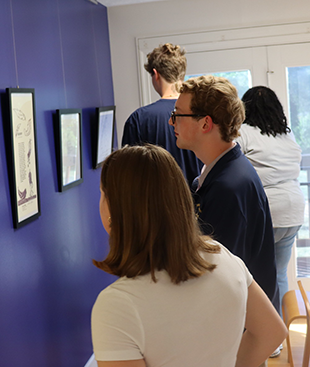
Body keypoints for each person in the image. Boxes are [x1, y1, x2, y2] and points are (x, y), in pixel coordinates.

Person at [91, 144, 287, 367]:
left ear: (115, 211)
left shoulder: (117, 306)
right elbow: (271, 332)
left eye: (102, 194)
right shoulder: (222, 257)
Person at [168, 75, 280, 312]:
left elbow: (219, 276)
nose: (171, 122)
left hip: (237, 324)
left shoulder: (229, 186)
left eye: (177, 114)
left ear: (205, 124)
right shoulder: (220, 171)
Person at [236, 86, 305, 316]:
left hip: (269, 210)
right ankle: (281, 331)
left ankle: (265, 336)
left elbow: (234, 166)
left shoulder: (243, 132)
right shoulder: (286, 133)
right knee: (280, 273)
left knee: (255, 275)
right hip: (294, 210)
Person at [121, 42, 202, 186]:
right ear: (181, 74)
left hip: (156, 207)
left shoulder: (139, 119)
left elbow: (129, 177)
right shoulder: (202, 114)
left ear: (156, 75)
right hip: (200, 205)